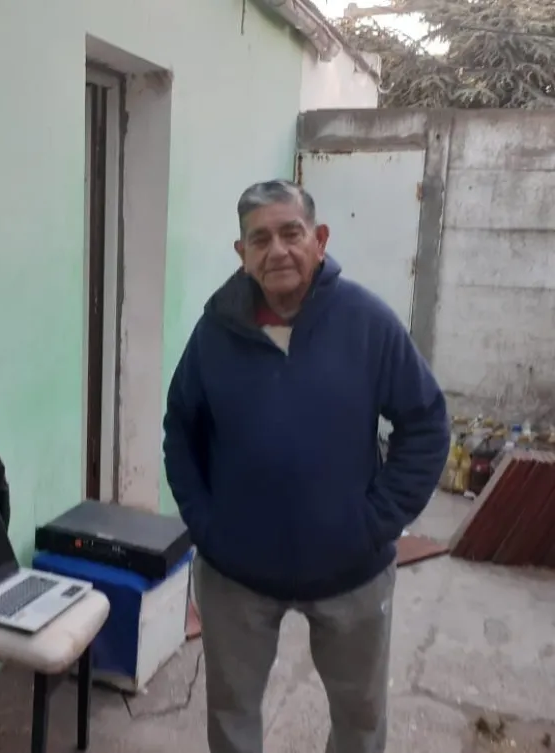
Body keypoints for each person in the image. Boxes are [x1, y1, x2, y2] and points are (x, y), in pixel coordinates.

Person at [163, 179, 450, 753]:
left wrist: (374, 523)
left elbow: (425, 423)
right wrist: (207, 525)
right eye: (259, 238)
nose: (278, 251)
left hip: (350, 574)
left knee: (360, 719)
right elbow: (181, 430)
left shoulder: (367, 323)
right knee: (231, 716)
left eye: (291, 233)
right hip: (236, 576)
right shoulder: (214, 333)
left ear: (319, 240)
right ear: (241, 254)